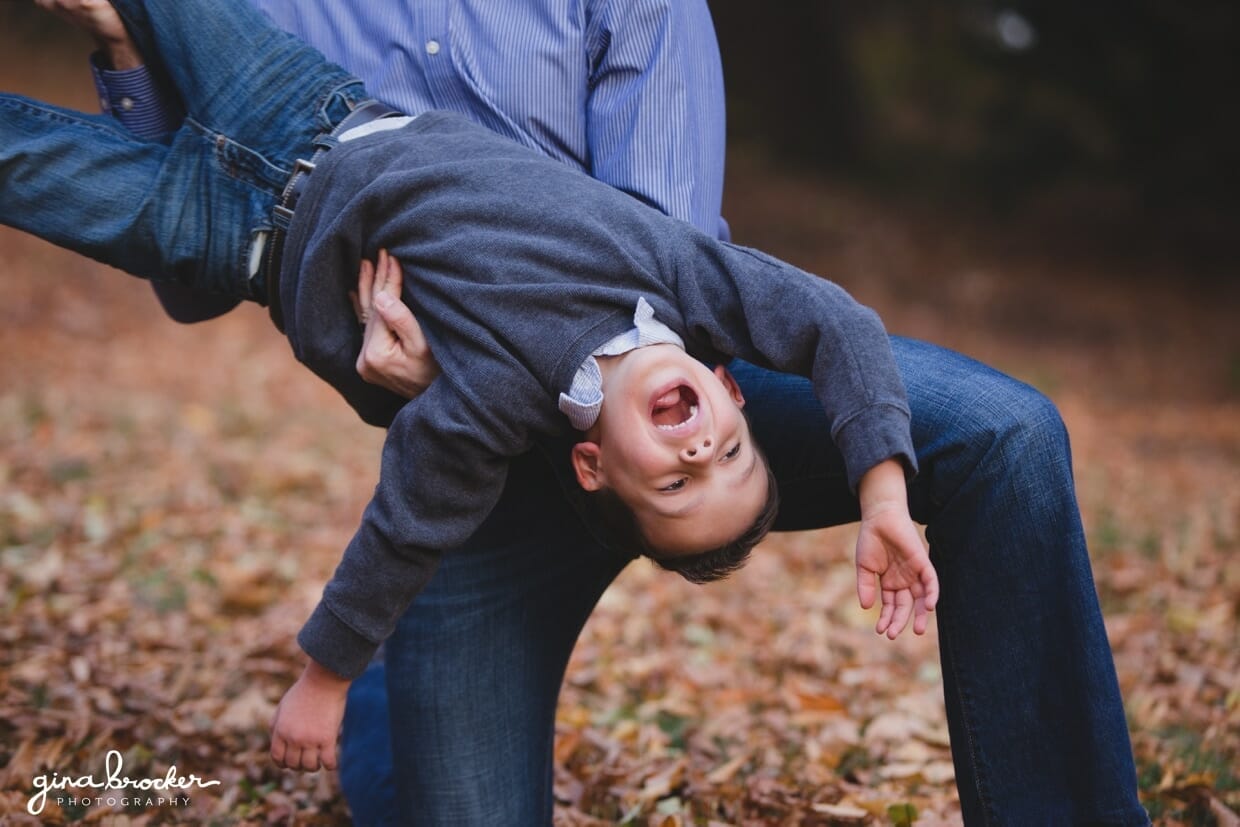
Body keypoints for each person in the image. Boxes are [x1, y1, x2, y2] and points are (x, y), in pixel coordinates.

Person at [24, 1, 1150, 824]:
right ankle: (401, 707)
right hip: (468, 442)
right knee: (418, 792)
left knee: (1003, 433)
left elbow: (665, 249)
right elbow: (191, 269)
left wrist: (876, 478)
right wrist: (123, 49)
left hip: (679, 372)